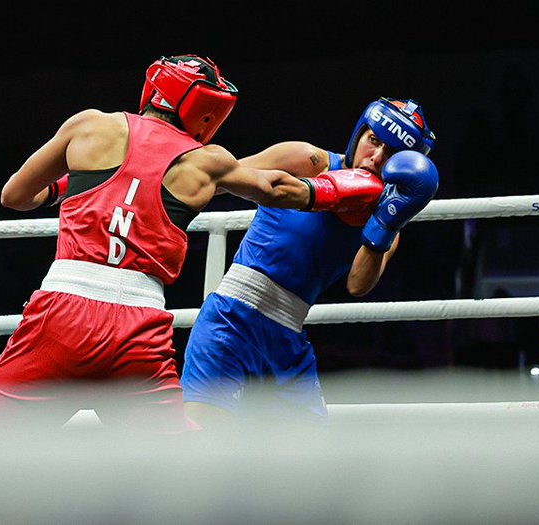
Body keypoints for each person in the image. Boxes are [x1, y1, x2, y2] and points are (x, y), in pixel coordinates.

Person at [0, 55, 379, 446]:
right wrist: (348, 187)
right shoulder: (205, 162)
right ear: (205, 111)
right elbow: (276, 187)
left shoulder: (89, 126)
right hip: (139, 332)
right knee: (176, 471)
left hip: (63, 313)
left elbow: (14, 196)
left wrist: (70, 185)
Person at [180, 97, 440, 428]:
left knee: (311, 453)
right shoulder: (308, 160)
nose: (375, 158)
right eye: (373, 141)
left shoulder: (386, 223)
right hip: (231, 319)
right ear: (359, 134)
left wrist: (384, 224)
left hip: (288, 340)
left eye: (391, 153)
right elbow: (221, 177)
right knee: (205, 441)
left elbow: (358, 285)